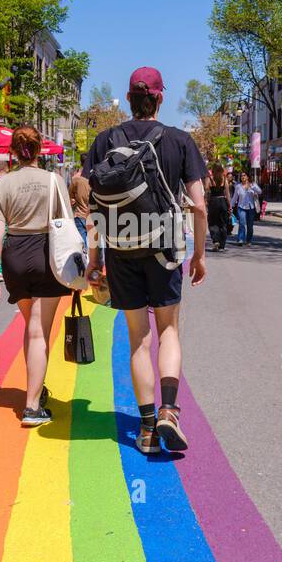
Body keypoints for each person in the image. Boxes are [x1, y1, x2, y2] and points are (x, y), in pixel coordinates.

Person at [83, 66, 208, 455]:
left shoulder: (105, 139)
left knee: (138, 339)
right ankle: (170, 410)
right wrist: (199, 256)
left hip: (121, 251)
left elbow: (94, 207)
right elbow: (200, 206)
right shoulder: (179, 141)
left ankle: (148, 428)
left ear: (131, 97)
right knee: (168, 331)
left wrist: (94, 259)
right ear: (159, 98)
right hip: (165, 248)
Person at [0, 126, 73, 427]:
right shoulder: (54, 180)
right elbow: (67, 223)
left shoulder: (2, 184)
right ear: (39, 150)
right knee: (39, 332)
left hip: (14, 255)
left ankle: (36, 386)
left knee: (31, 327)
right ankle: (32, 406)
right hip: (46, 252)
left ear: (13, 151)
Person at [206, 163, 232, 251]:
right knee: (223, 223)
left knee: (213, 223)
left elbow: (206, 192)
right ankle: (222, 244)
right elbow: (227, 194)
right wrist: (229, 206)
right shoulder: (224, 180)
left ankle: (216, 240)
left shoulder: (210, 179)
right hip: (222, 202)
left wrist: (206, 202)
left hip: (213, 202)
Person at [232, 172, 262, 246]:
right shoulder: (238, 186)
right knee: (242, 223)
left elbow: (260, 191)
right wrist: (231, 206)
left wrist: (252, 187)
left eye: (244, 175)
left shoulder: (253, 184)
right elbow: (235, 197)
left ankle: (249, 240)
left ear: (247, 177)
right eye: (241, 176)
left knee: (250, 225)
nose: (243, 177)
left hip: (251, 207)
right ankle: (240, 239)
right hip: (241, 207)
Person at [69, 166, 92, 248]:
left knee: (82, 245)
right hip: (95, 216)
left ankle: (84, 259)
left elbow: (70, 197)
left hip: (80, 215)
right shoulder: (98, 175)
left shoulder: (75, 179)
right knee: (96, 246)